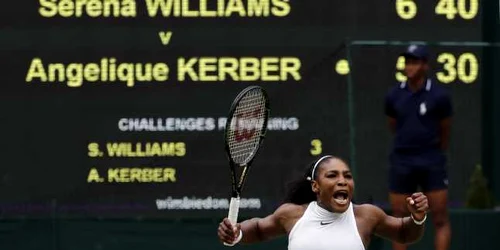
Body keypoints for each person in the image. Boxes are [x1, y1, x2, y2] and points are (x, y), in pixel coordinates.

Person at [217, 155, 429, 249]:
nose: (342, 181)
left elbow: (404, 233)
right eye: (332, 176)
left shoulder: (365, 216)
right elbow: (258, 228)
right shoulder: (292, 214)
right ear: (315, 186)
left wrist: (417, 218)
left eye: (347, 176)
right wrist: (237, 233)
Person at [385, 44, 452, 250]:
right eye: (407, 62)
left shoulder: (439, 95)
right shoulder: (394, 95)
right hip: (403, 160)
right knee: (399, 218)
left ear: (425, 66)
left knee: (439, 217)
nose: (409, 67)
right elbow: (393, 125)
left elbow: (445, 129)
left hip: (431, 159)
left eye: (414, 62)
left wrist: (434, 150)